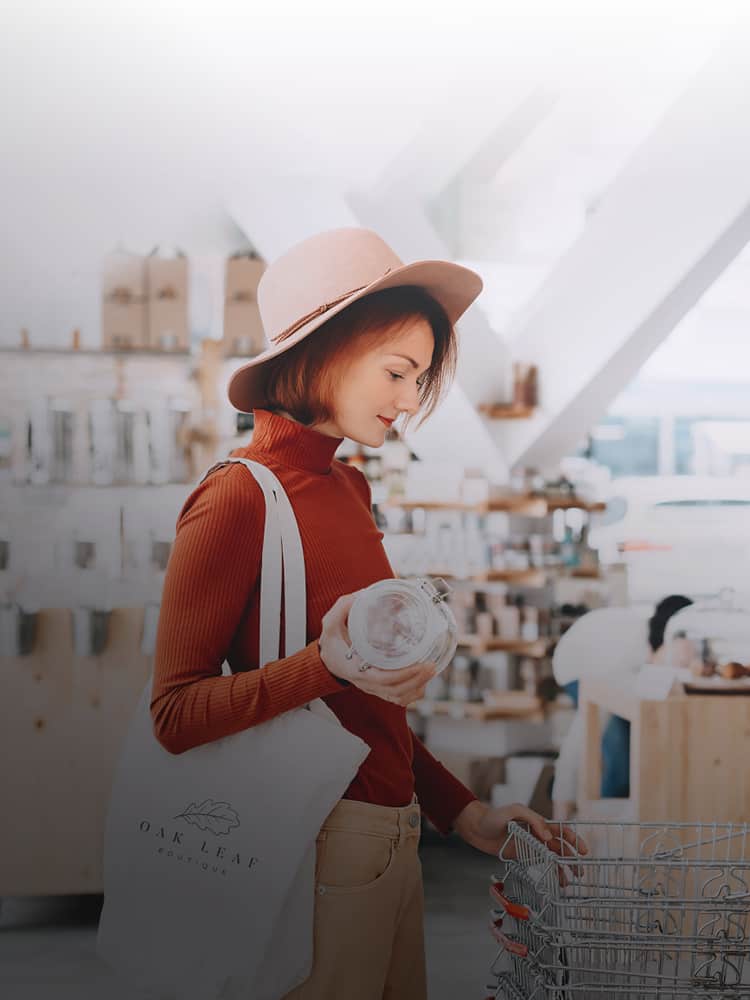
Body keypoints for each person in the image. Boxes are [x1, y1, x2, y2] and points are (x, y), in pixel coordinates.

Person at [150, 228, 582, 1000]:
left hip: (393, 835)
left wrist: (466, 812)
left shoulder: (349, 489)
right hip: (310, 842)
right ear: (323, 350)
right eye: (397, 372)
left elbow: (360, 712)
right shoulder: (237, 496)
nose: (410, 401)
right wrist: (324, 665)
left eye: (420, 379)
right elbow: (175, 714)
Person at [552, 594, 694, 819]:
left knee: (631, 747)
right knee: (618, 755)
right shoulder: (620, 664)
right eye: (681, 658)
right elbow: (578, 740)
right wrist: (559, 813)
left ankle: (616, 823)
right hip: (576, 666)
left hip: (607, 657)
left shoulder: (652, 645)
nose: (684, 663)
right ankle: (603, 828)